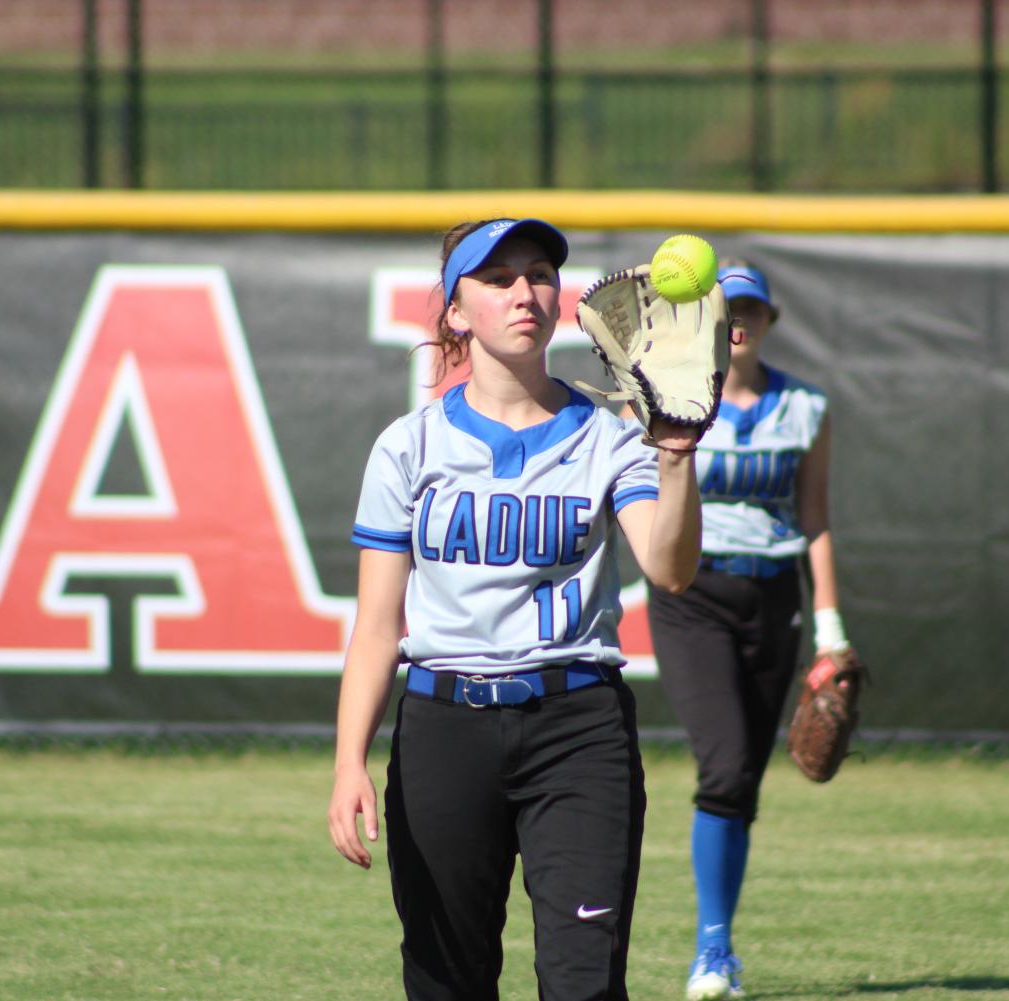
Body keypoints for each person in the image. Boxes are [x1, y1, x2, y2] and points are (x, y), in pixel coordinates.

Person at [328, 217, 703, 1001]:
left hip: (577, 728)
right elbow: (374, 625)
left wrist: (674, 457)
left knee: (584, 984)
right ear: (455, 311)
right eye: (496, 279)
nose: (524, 291)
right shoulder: (407, 447)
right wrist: (347, 761)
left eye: (537, 273)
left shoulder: (608, 437)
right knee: (446, 982)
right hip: (443, 727)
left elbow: (668, 568)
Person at [646, 260, 854, 1001]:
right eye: (726, 307)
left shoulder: (805, 407)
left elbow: (814, 517)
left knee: (743, 783)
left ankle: (720, 946)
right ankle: (710, 952)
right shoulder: (672, 399)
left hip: (773, 596)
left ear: (769, 320)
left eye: (751, 309)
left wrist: (829, 629)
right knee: (725, 765)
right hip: (689, 593)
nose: (739, 320)